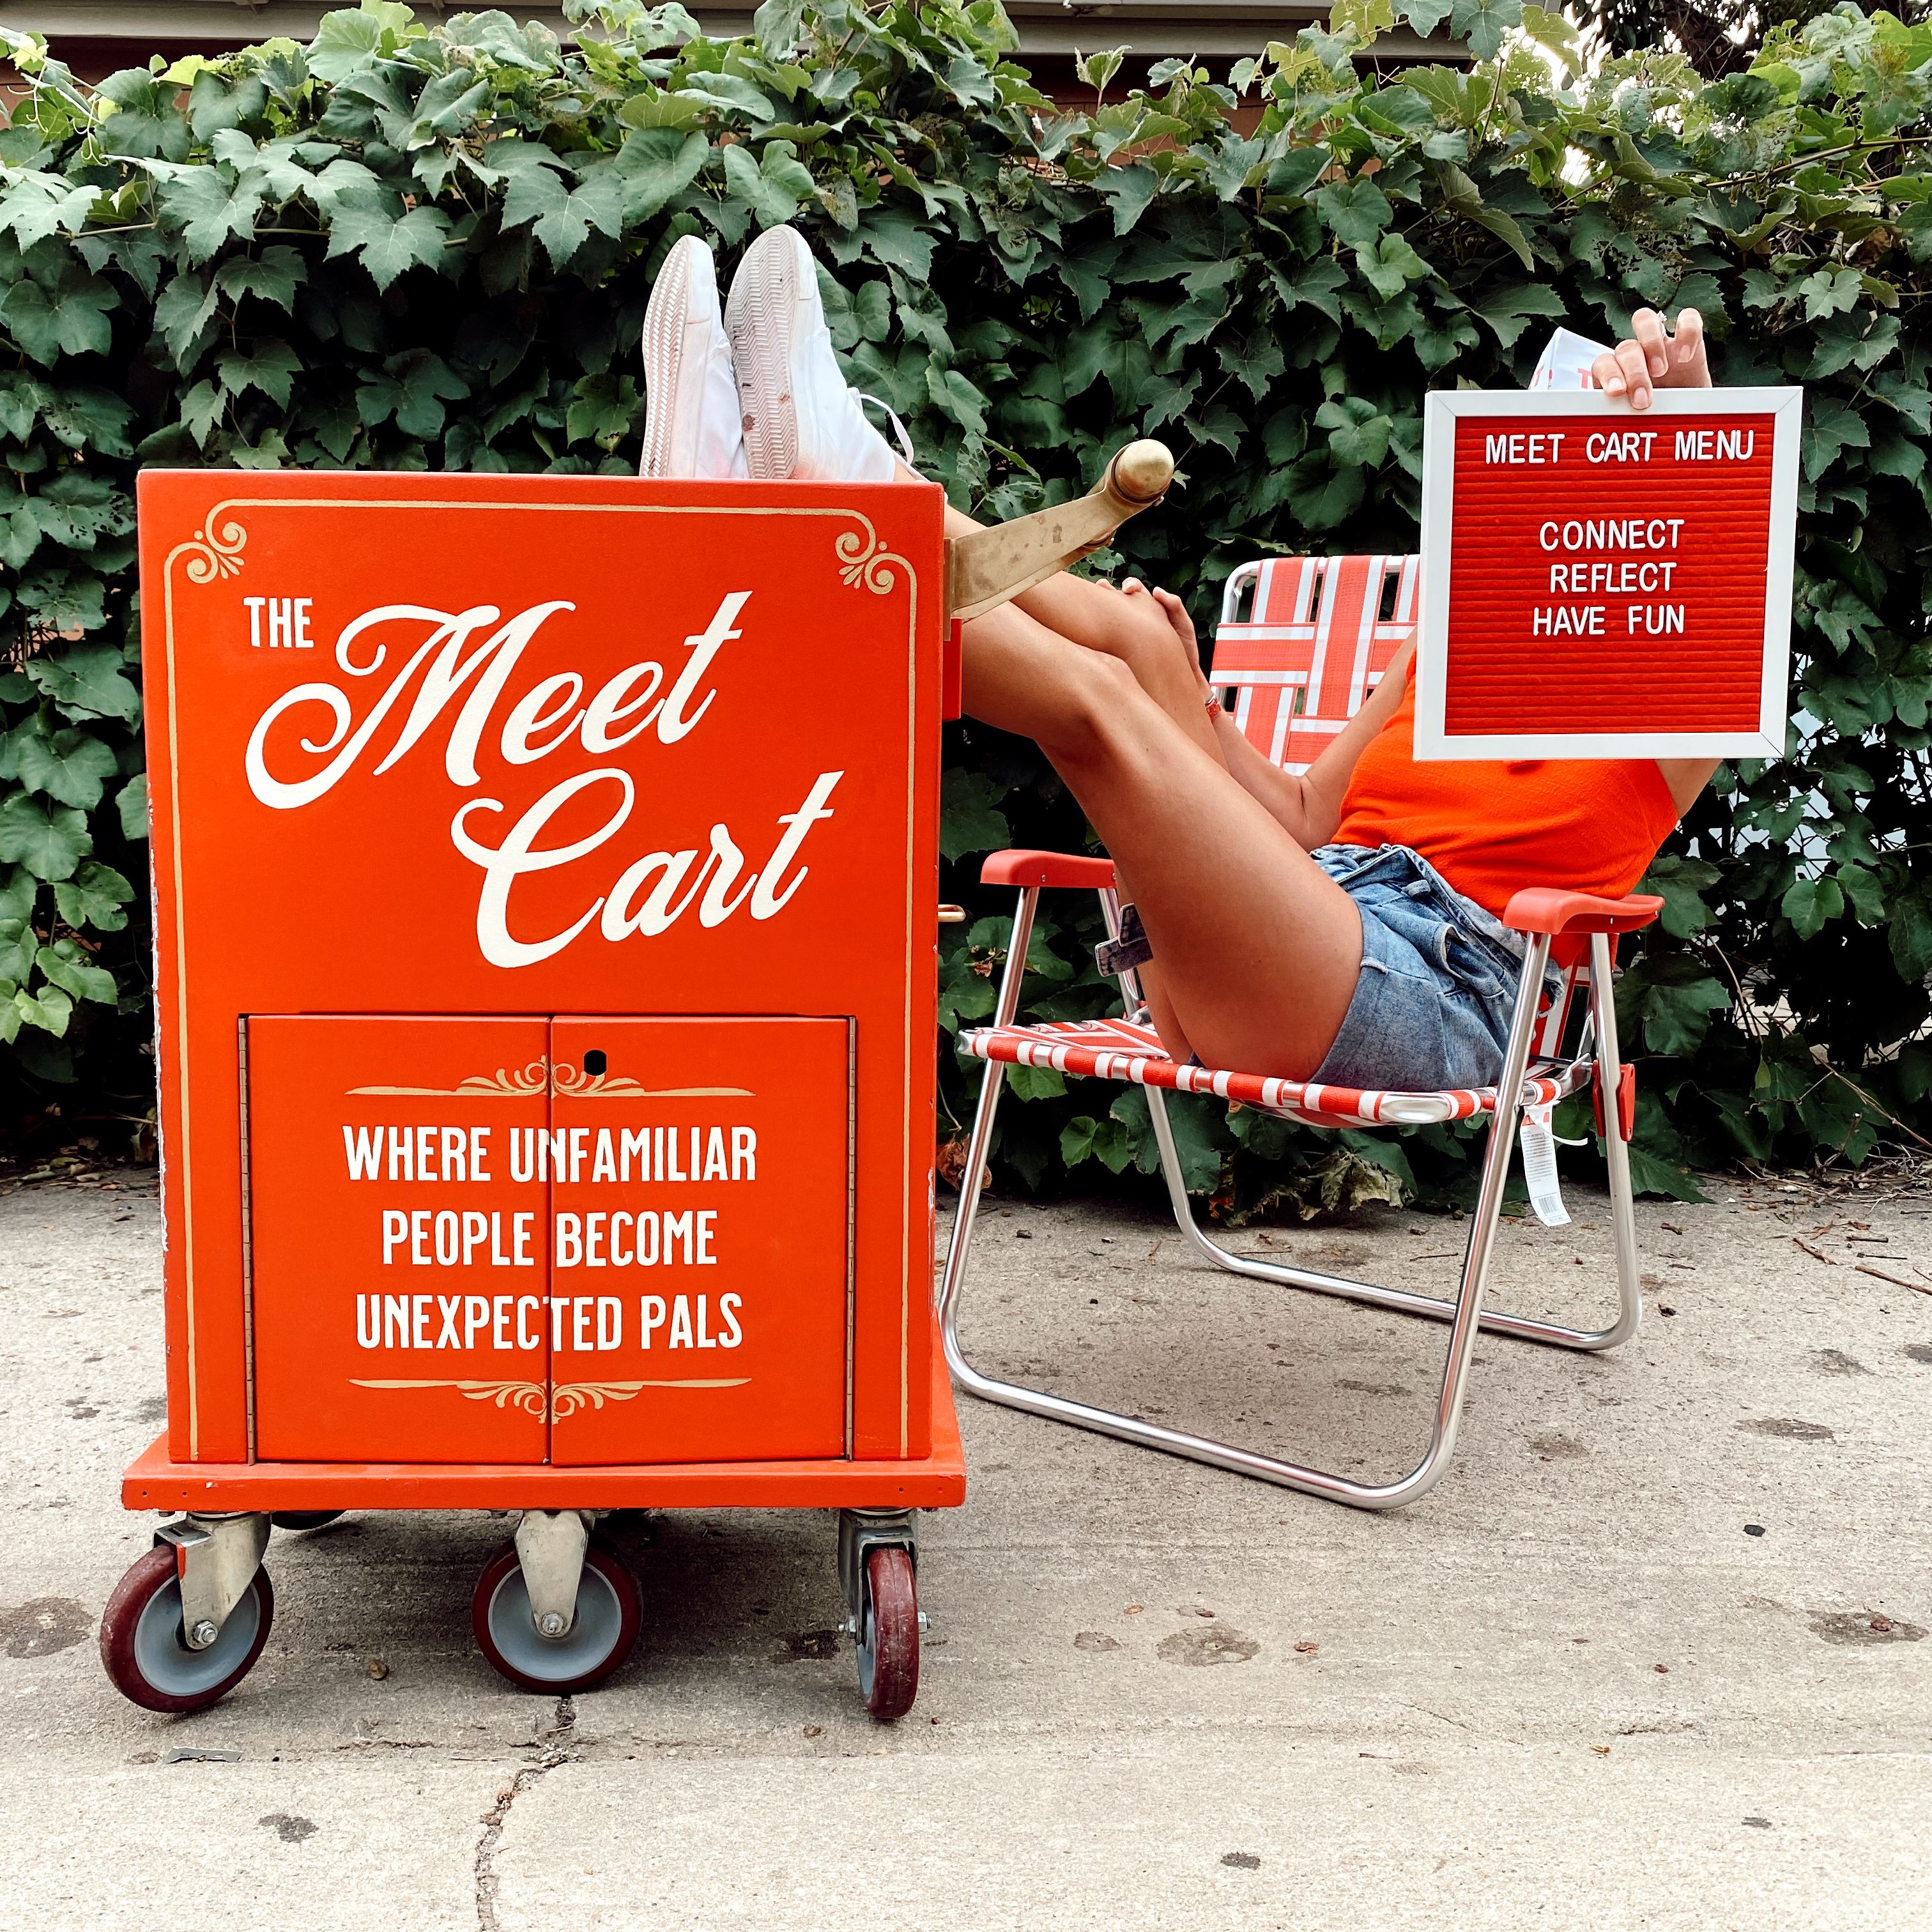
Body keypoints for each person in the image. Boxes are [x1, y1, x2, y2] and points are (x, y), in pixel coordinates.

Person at [641, 226, 1715, 1092]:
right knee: (1129, 641)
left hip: (1437, 991)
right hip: (1302, 909)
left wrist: (1703, 439)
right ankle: (813, 491)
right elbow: (1300, 817)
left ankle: (797, 523)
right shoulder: (1445, 638)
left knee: (1097, 704)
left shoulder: (1676, 686)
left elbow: (1722, 577)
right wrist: (1190, 690)